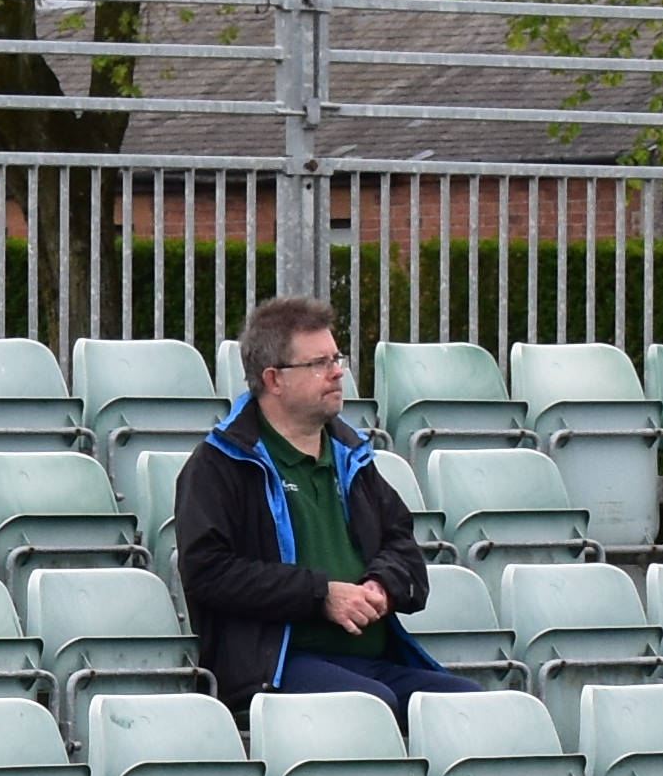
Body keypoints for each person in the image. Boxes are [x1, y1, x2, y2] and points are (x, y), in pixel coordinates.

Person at [171, 295, 476, 717]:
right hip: (273, 670)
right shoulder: (218, 465)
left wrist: (380, 586)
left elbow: (402, 545)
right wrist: (320, 596)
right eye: (319, 364)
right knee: (371, 706)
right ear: (274, 379)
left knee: (479, 705)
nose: (337, 373)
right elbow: (208, 572)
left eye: (337, 358)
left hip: (375, 661)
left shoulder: (352, 456)